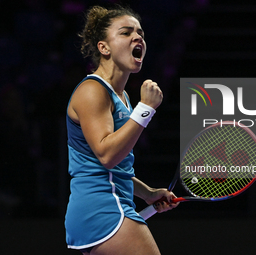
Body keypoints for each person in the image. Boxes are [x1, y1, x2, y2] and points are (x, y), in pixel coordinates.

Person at [64, 4, 179, 255]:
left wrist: (146, 193)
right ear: (103, 47)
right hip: (102, 208)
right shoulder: (93, 91)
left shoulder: (121, 96)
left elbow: (112, 166)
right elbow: (107, 156)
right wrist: (145, 109)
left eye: (140, 33)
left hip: (103, 206)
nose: (138, 37)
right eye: (126, 33)